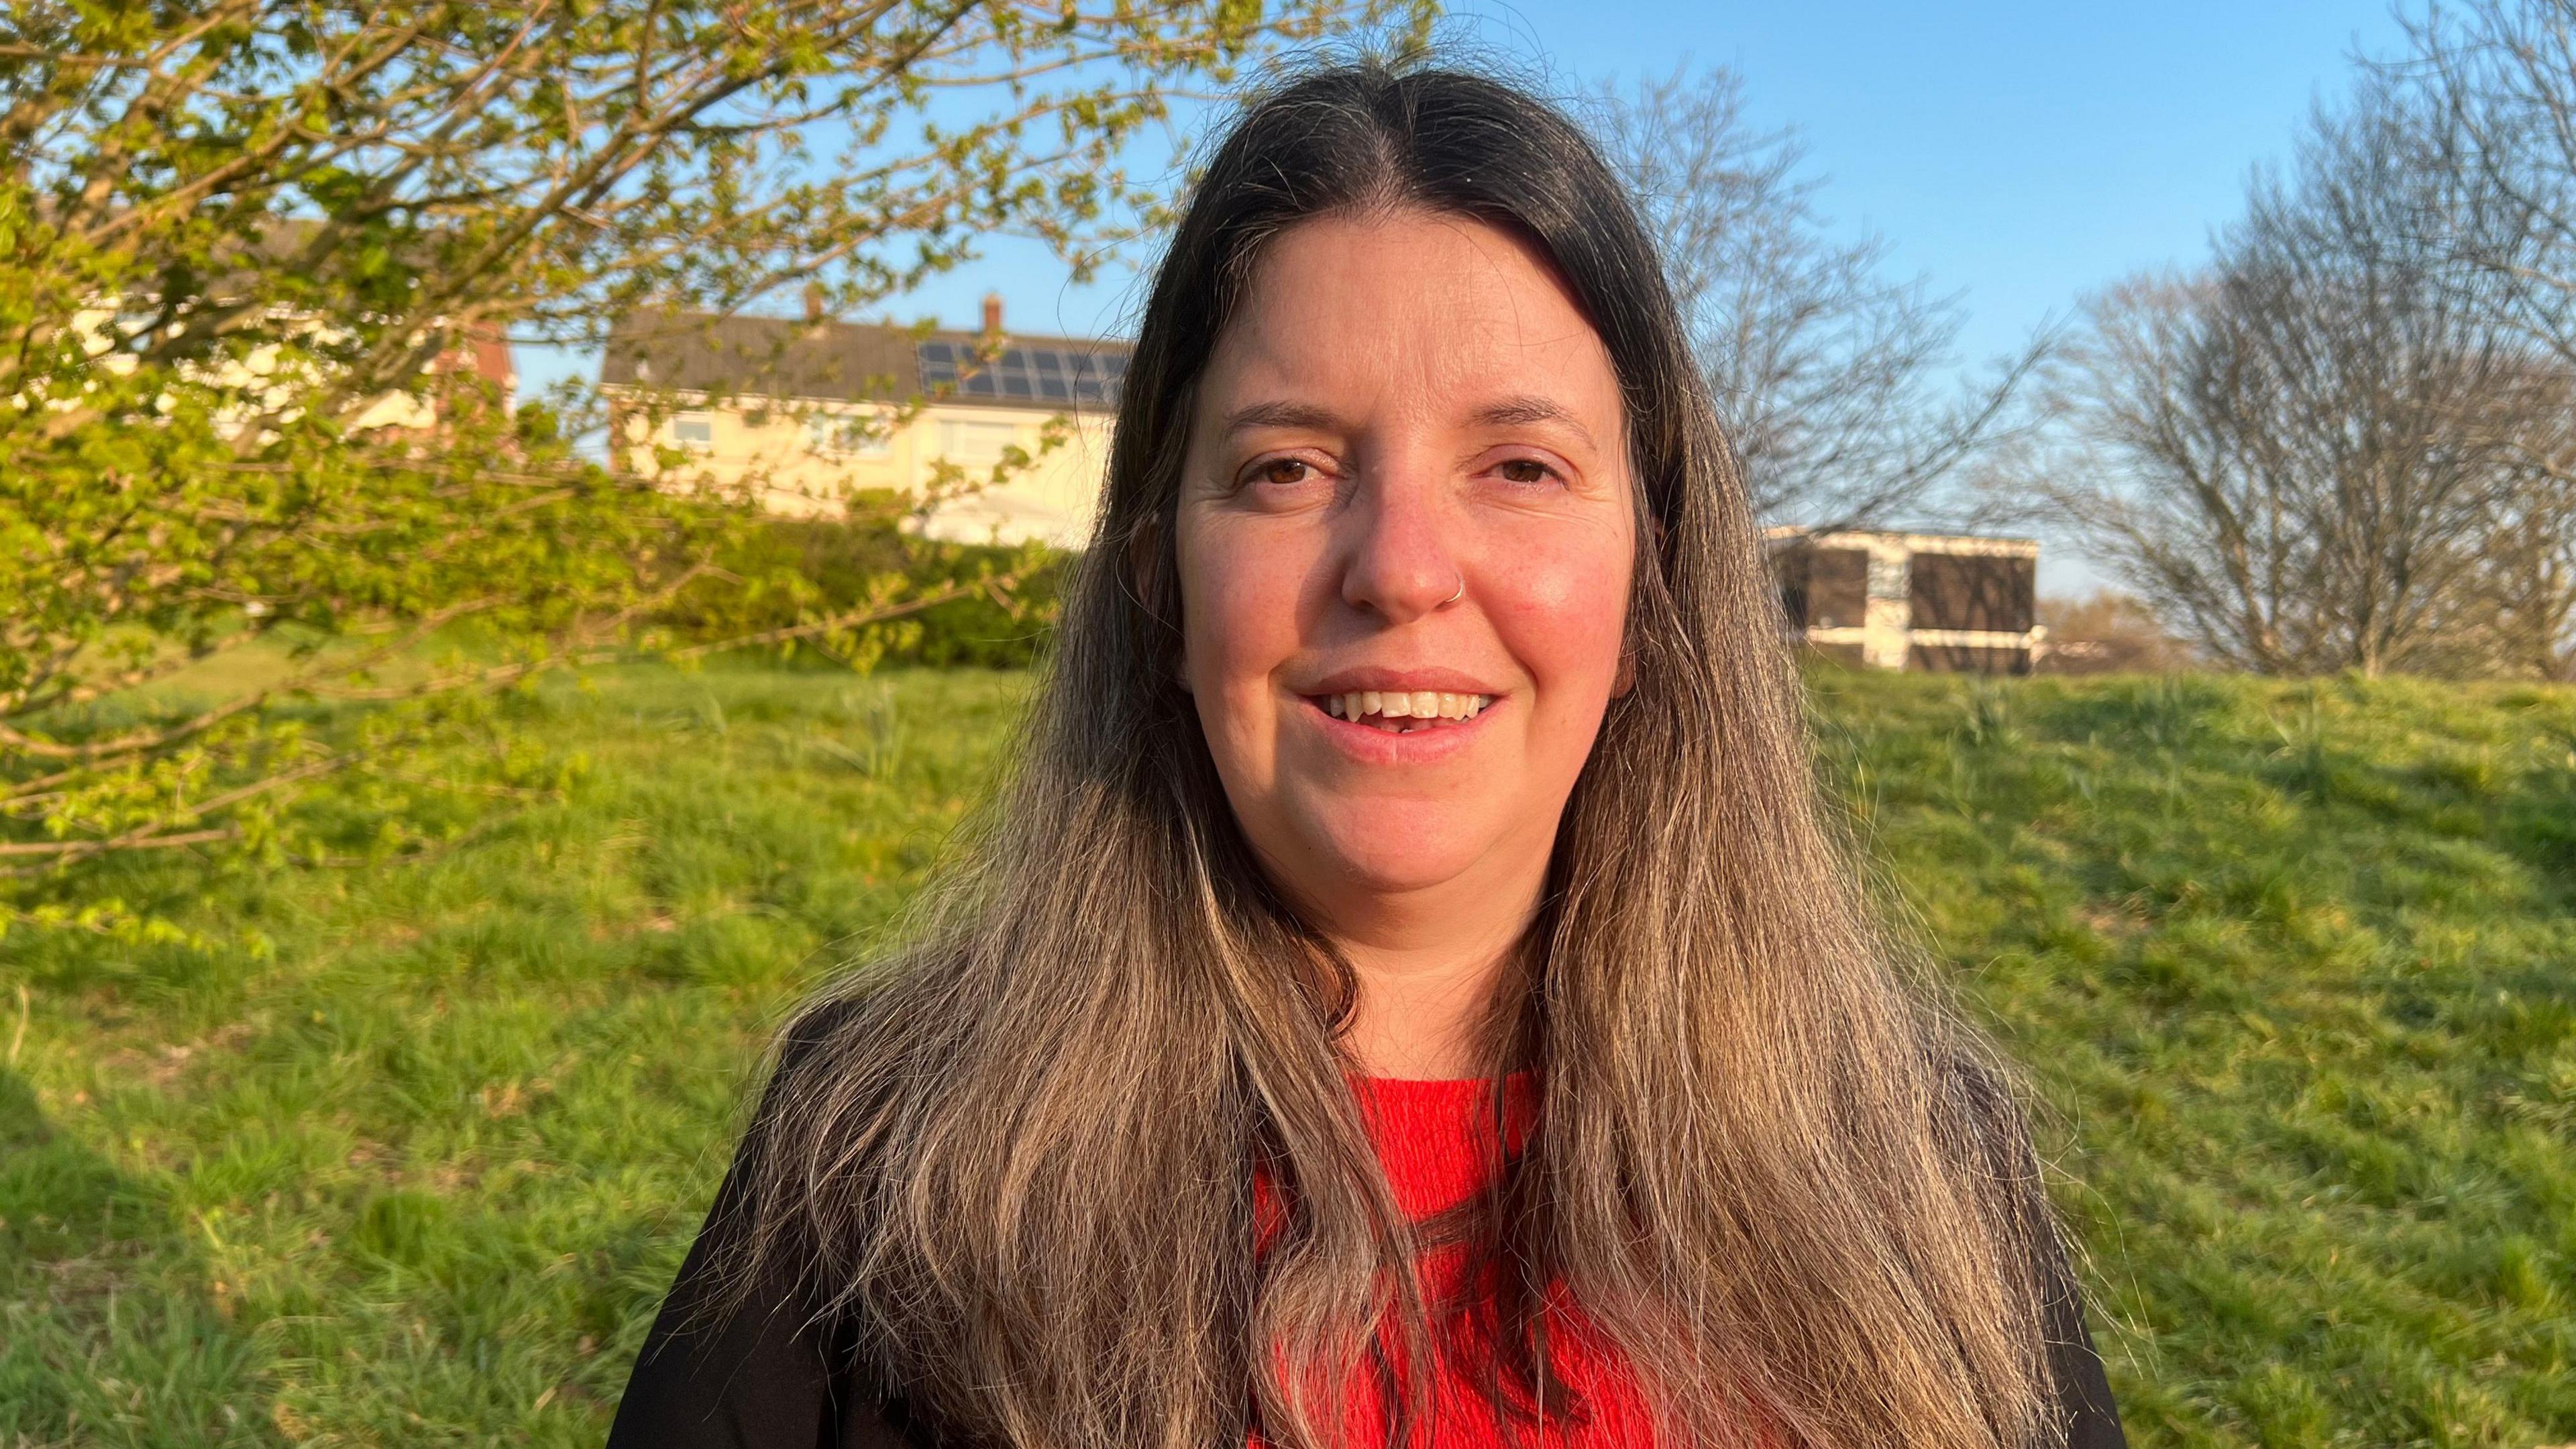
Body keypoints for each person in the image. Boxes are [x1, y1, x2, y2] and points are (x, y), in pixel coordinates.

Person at [606, 58, 2128, 1449]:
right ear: (1160, 579)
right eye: (1287, 467)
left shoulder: (1921, 1171)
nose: (1401, 567)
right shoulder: (879, 1162)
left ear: (1655, 583)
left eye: (1520, 465)